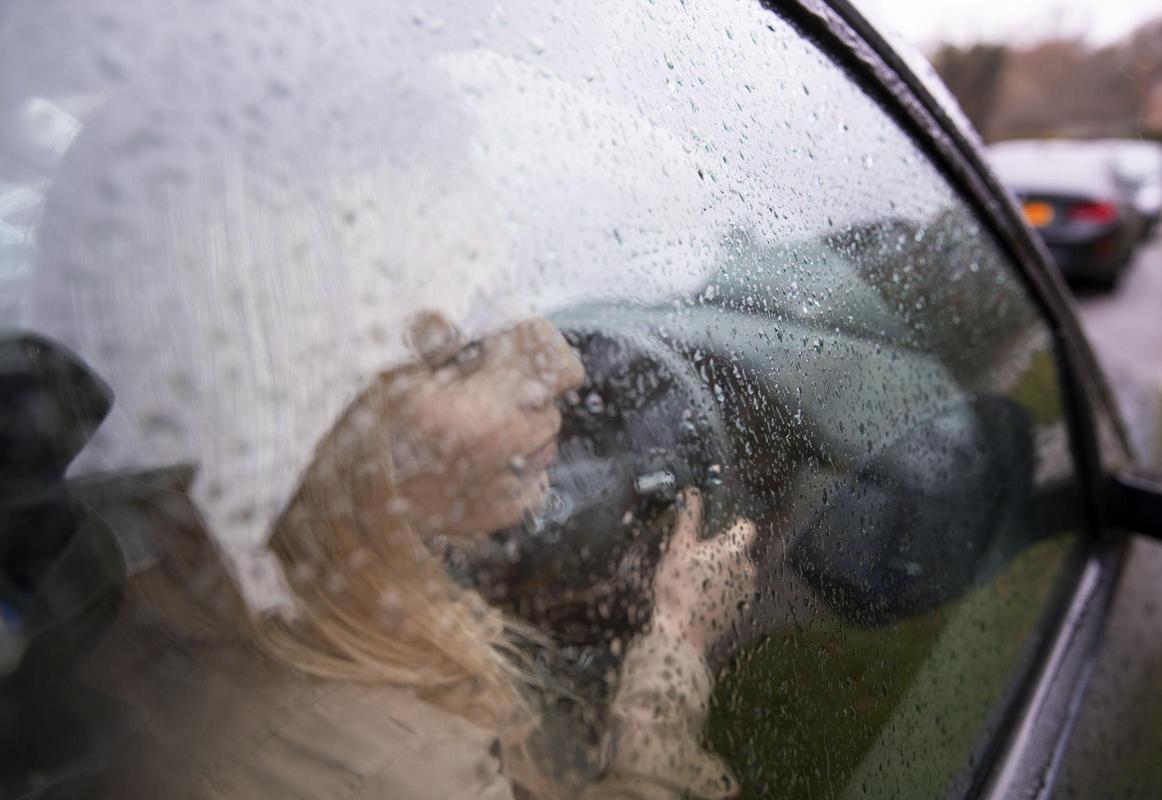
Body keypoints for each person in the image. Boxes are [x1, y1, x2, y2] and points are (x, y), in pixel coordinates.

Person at [27, 36, 760, 799]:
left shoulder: (136, 592)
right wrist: (674, 646)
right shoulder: (390, 768)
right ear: (286, 425)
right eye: (464, 347)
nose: (566, 369)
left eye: (522, 298)